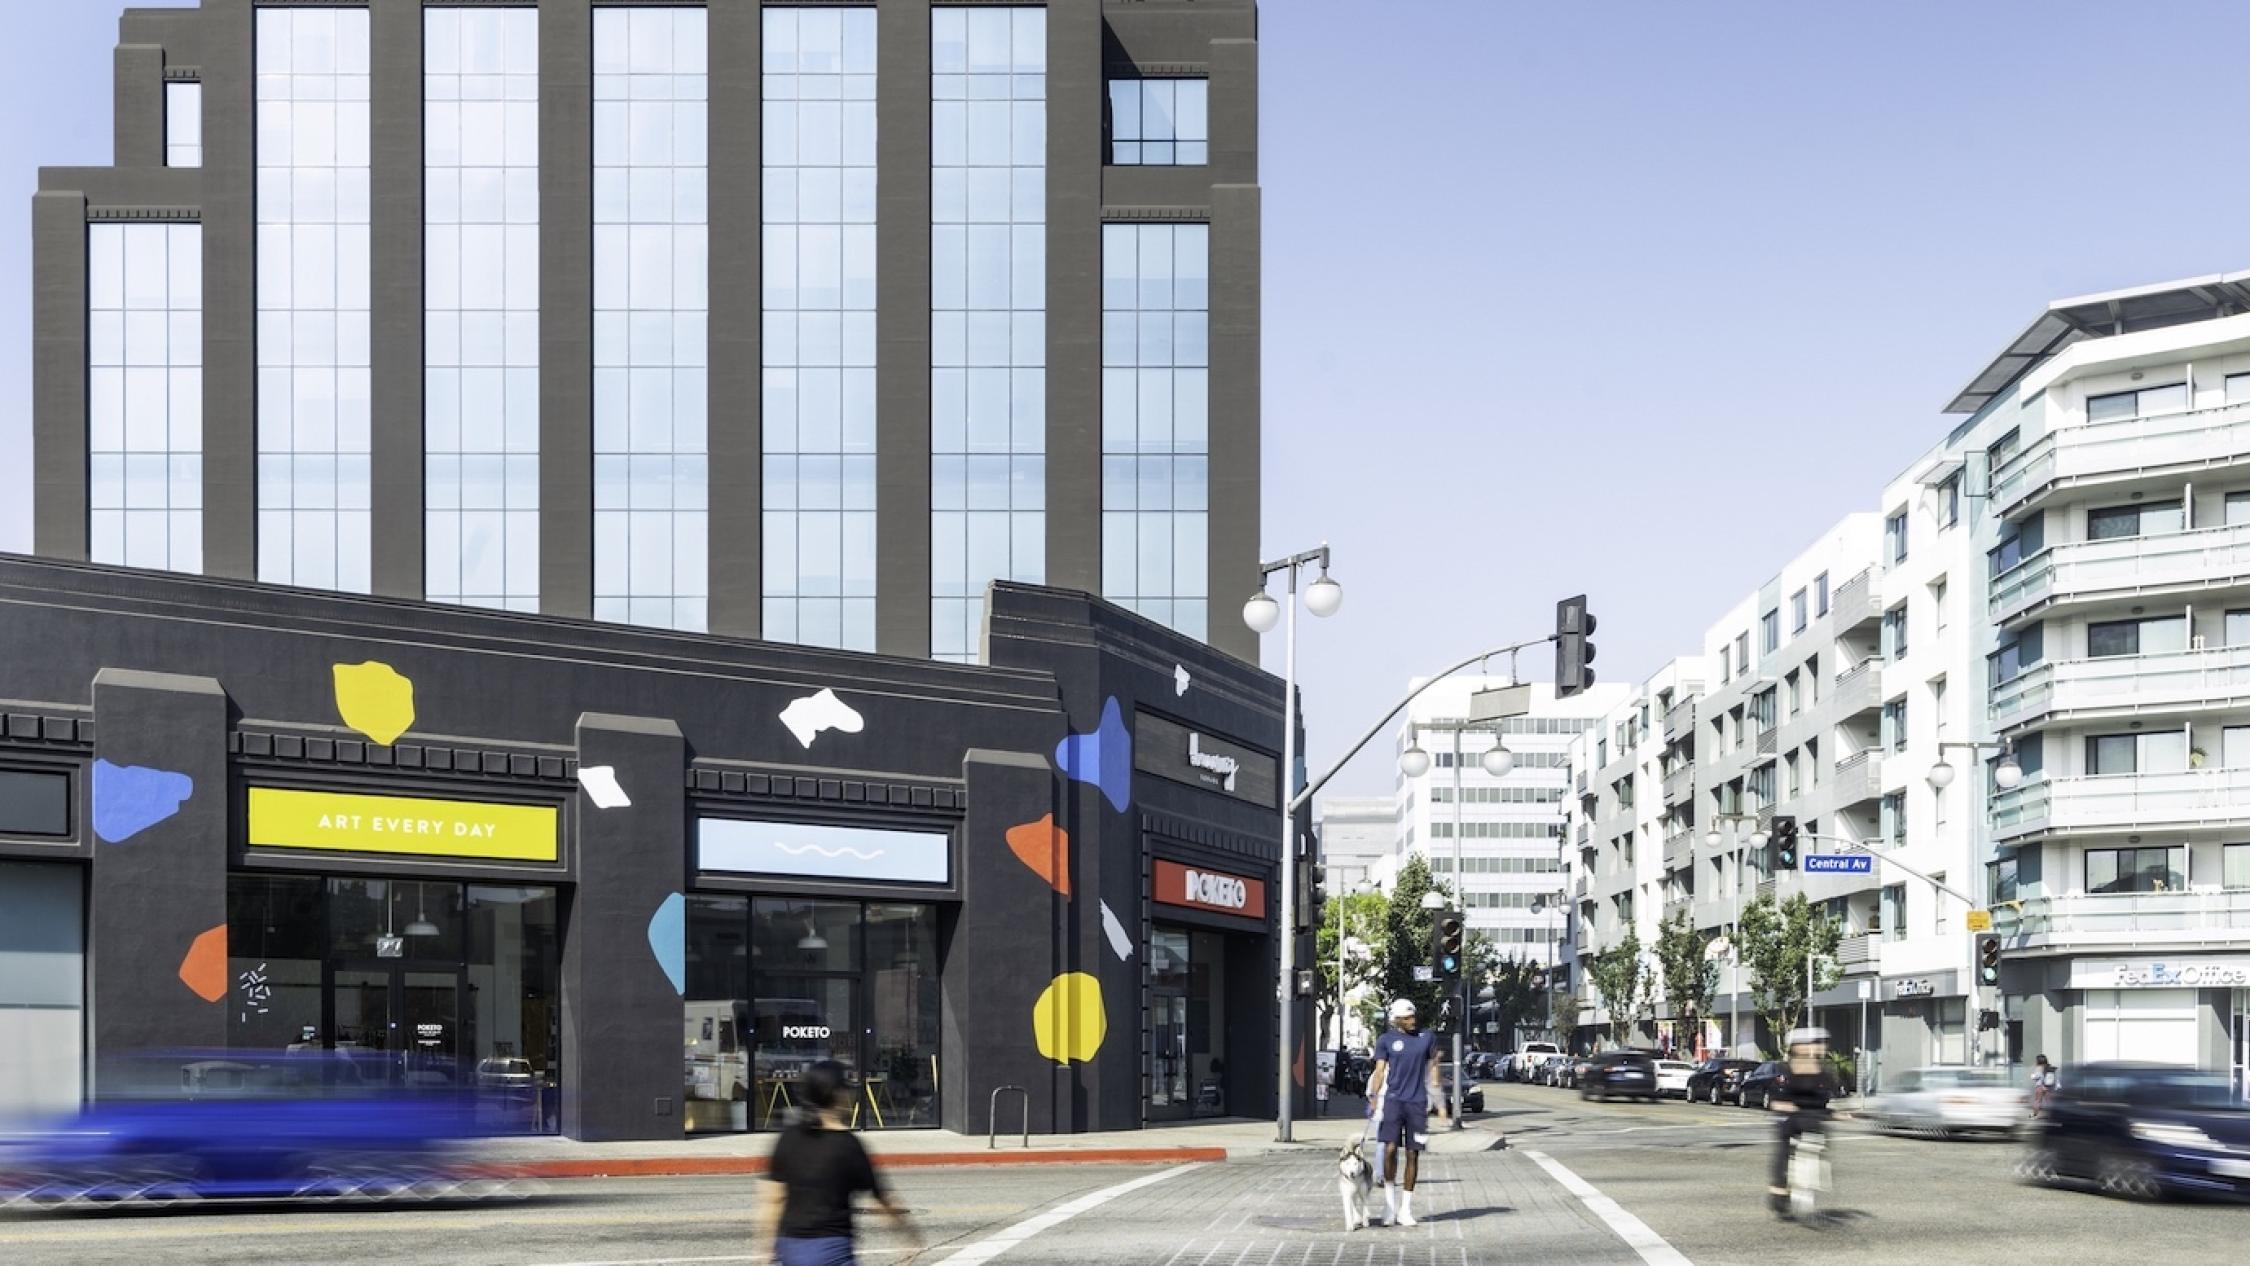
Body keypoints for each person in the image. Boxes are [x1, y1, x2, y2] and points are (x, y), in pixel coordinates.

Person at [755, 1060, 918, 1266]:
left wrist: (764, 1251)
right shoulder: (848, 1146)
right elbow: (883, 1199)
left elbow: (772, 1200)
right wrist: (909, 1235)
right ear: (838, 1095)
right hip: (832, 1252)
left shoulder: (788, 1138)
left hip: (790, 1249)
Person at [1362, 997, 1445, 1227]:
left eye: (1413, 1016)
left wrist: (1440, 1103)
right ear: (1397, 1020)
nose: (1412, 1020)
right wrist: (1373, 1098)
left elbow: (1434, 1068)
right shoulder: (1386, 1040)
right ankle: (1389, 1206)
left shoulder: (1427, 1038)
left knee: (1412, 1153)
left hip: (1418, 1104)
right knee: (1389, 1150)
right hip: (1393, 1102)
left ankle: (1405, 1209)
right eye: (1407, 1018)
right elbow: (1379, 1071)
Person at [1765, 1026, 1838, 1218]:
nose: (1815, 1048)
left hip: (1812, 1118)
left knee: (1820, 1138)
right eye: (1809, 1044)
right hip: (1790, 1118)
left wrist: (1838, 1114)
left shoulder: (1824, 1072)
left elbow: (1826, 1100)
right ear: (1796, 1047)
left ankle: (1810, 1179)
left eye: (1818, 1044)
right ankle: (1779, 1188)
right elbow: (1774, 1097)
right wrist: (1782, 1105)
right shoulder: (1785, 1070)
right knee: (1783, 1148)